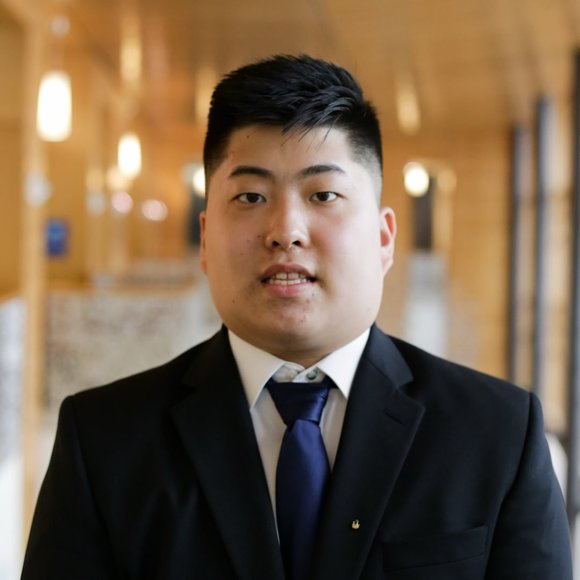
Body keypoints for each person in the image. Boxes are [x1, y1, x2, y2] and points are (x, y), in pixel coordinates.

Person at [22, 55, 572, 580]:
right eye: (250, 197)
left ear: (383, 239)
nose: (285, 231)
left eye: (323, 194)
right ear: (206, 239)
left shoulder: (497, 436)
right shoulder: (104, 443)